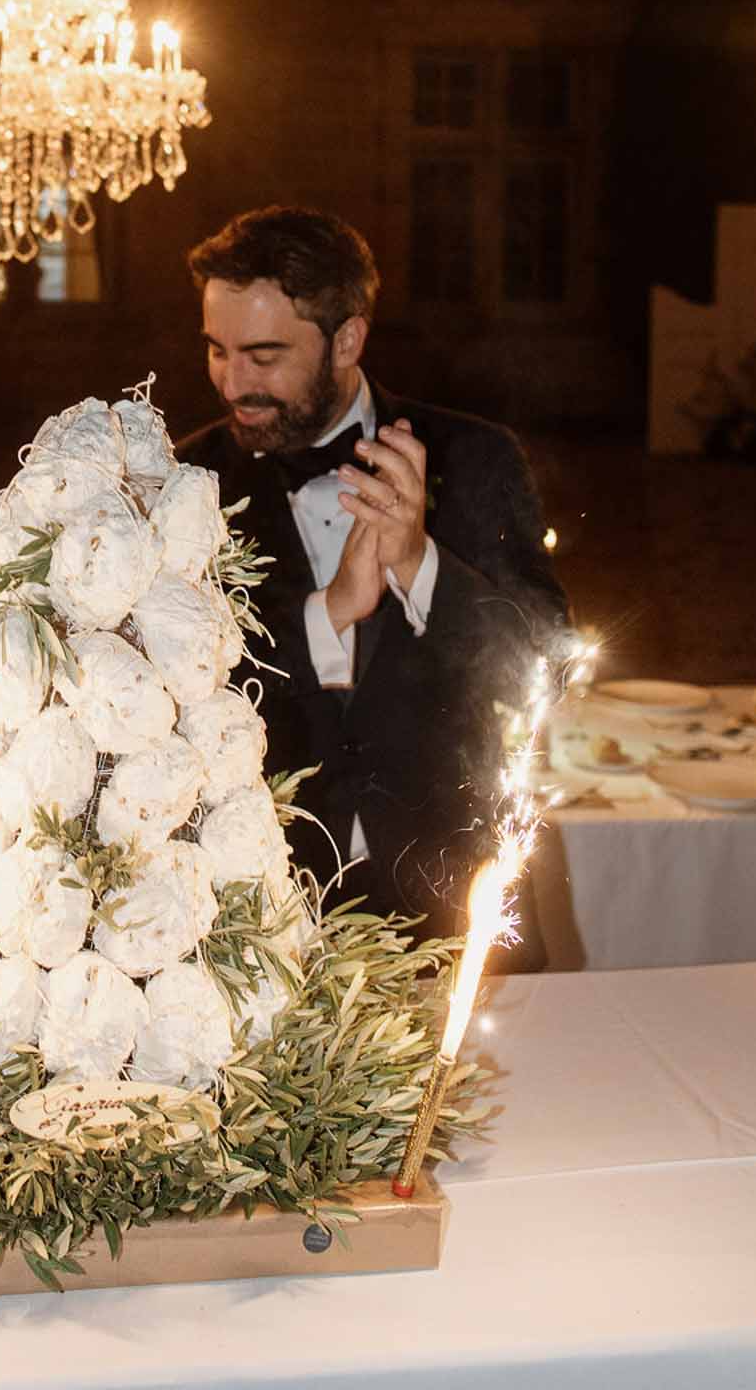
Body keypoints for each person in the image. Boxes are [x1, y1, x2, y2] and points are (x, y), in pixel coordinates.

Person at [178, 205, 568, 955]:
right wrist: (327, 615)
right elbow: (167, 699)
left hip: (459, 900)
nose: (233, 384)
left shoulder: (474, 456)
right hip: (255, 917)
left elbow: (544, 660)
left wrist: (422, 566)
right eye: (216, 351)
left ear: (347, 337)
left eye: (263, 355)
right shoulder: (181, 482)